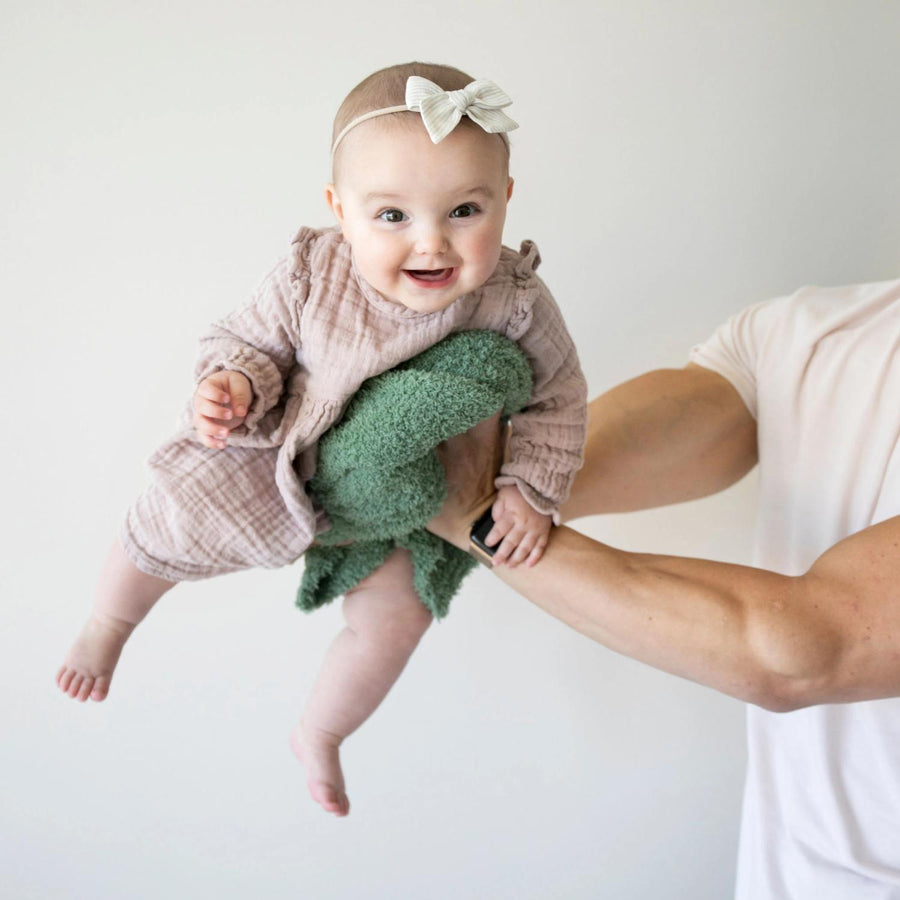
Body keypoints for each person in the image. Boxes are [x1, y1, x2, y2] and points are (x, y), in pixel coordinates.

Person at [55, 62, 587, 818]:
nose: (432, 243)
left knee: (397, 620)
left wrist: (528, 490)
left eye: (465, 209)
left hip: (408, 506)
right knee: (169, 513)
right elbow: (246, 341)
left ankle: (322, 731)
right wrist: (233, 384)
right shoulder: (312, 274)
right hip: (280, 454)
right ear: (341, 211)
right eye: (392, 216)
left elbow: (559, 399)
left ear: (506, 199)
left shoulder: (517, 303)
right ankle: (109, 624)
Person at [429, 280, 900, 897]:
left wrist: (473, 519)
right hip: (790, 874)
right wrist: (425, 475)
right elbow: (622, 449)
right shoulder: (817, 328)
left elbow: (810, 649)